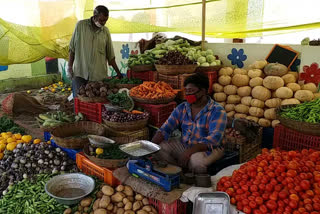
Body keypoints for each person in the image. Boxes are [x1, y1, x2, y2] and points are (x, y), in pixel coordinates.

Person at [152, 73, 227, 174]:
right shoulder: (182, 107)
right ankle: (179, 173)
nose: (188, 95)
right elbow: (166, 128)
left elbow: (213, 140)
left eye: (191, 91)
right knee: (158, 149)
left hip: (209, 149)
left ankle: (196, 183)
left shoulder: (217, 111)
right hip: (186, 144)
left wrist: (189, 153)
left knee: (196, 161)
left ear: (204, 91)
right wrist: (149, 146)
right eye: (186, 92)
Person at [68, 5, 122, 98]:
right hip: (80, 74)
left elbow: (110, 56)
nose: (103, 23)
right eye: (101, 20)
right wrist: (69, 67)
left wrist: (118, 73)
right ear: (94, 16)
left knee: (94, 104)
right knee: (79, 101)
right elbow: (72, 49)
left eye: (105, 20)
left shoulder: (105, 32)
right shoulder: (80, 26)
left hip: (98, 78)